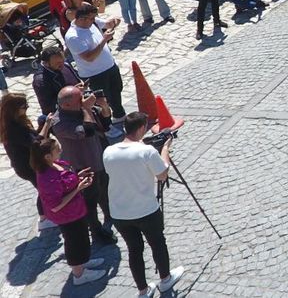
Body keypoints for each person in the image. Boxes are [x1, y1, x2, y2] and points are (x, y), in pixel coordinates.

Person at [103, 112, 184, 298]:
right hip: (146, 210)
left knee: (134, 250)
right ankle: (165, 279)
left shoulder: (108, 151)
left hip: (119, 213)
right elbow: (162, 174)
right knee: (157, 243)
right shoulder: (147, 152)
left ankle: (143, 290)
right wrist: (165, 148)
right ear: (141, 128)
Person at [31, 136, 107, 285]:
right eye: (57, 149)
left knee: (83, 239)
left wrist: (78, 178)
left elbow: (65, 183)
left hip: (76, 211)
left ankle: (82, 262)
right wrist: (79, 188)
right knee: (74, 243)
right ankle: (78, 275)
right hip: (67, 216)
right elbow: (55, 205)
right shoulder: (47, 178)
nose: (61, 150)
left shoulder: (56, 164)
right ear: (47, 156)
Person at [49, 85, 117, 246]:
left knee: (105, 192)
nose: (83, 100)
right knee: (90, 203)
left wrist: (104, 106)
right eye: (79, 99)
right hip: (83, 168)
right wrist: (86, 108)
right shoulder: (59, 122)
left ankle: (110, 214)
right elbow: (87, 131)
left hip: (98, 161)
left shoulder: (81, 109)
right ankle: (96, 231)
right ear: (66, 104)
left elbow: (106, 123)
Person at [63, 3, 127, 139]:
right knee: (101, 102)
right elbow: (89, 57)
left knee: (116, 91)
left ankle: (119, 115)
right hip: (94, 74)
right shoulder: (73, 36)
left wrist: (114, 22)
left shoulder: (90, 23)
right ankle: (106, 126)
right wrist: (104, 40)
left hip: (109, 66)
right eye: (91, 18)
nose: (94, 21)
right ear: (82, 18)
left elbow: (107, 23)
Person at [2, 93, 56, 230]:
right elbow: (35, 143)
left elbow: (34, 137)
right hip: (27, 166)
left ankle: (46, 215)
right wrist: (47, 125)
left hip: (28, 162)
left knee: (43, 188)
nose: (26, 108)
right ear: (14, 109)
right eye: (23, 106)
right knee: (43, 190)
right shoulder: (13, 129)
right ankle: (44, 219)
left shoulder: (17, 122)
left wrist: (43, 125)